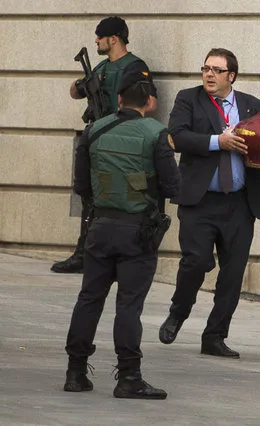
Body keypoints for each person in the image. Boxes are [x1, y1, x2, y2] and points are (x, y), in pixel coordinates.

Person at [158, 48, 260, 358]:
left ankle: (215, 336)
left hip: (239, 203)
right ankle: (178, 313)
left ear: (231, 76)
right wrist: (217, 142)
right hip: (199, 200)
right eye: (205, 68)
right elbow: (176, 137)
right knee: (195, 261)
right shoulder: (189, 99)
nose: (208, 74)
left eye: (216, 70)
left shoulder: (252, 106)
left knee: (233, 274)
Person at [63, 69, 180, 399]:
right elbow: (173, 187)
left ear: (118, 99)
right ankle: (129, 377)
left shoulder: (94, 131)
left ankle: (75, 372)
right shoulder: (156, 134)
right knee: (129, 306)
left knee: (89, 299)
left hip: (99, 229)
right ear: (149, 102)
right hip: (138, 232)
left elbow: (81, 186)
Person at [52, 16, 159, 274]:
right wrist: (85, 85)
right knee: (89, 194)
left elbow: (151, 103)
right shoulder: (100, 67)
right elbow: (73, 91)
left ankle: (113, 254)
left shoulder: (134, 66)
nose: (96, 41)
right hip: (98, 139)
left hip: (122, 141)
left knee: (122, 198)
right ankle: (84, 254)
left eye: (100, 37)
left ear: (114, 39)